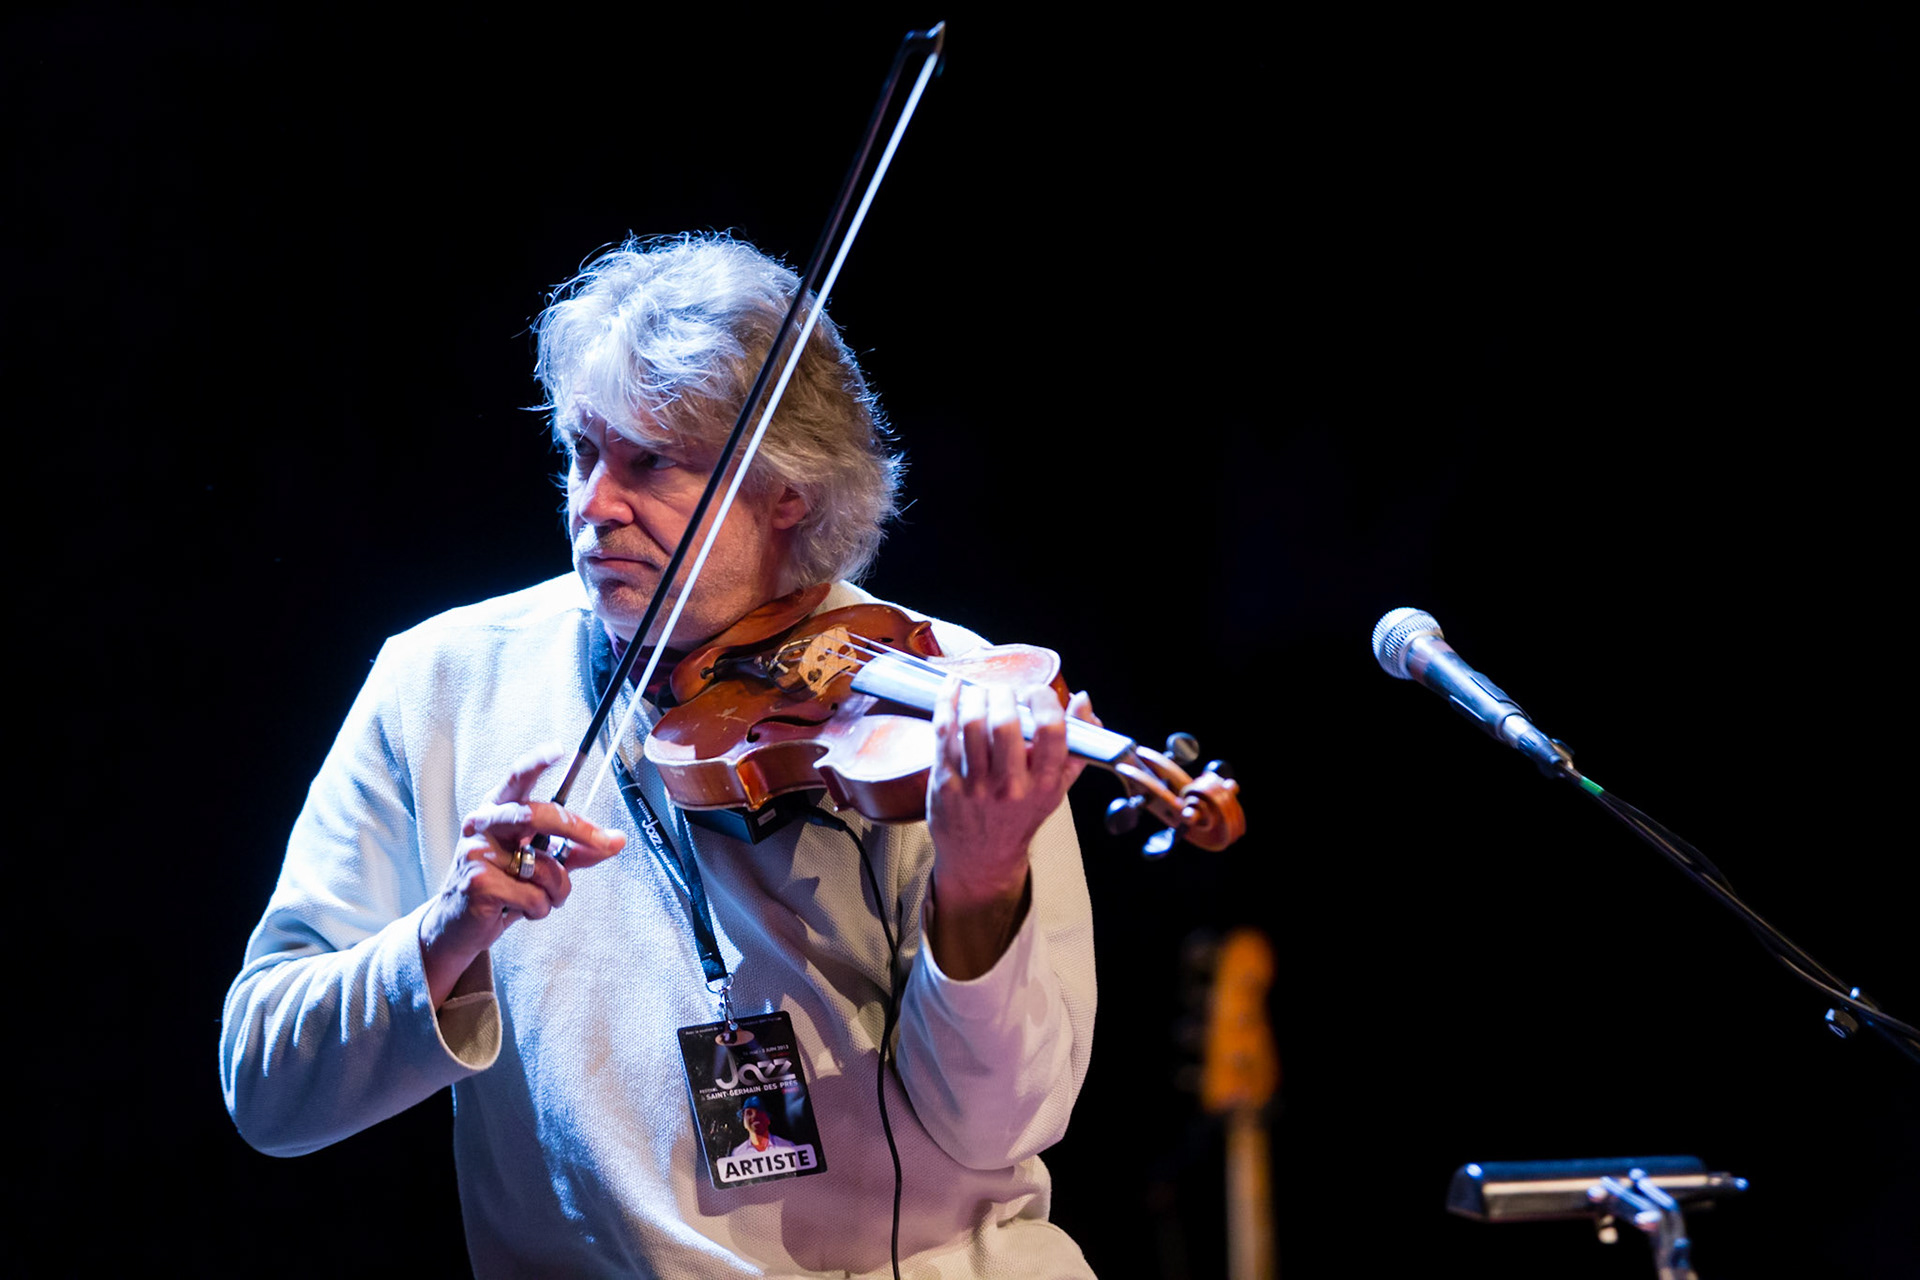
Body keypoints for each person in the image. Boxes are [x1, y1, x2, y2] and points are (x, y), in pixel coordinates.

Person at [220, 234, 1099, 1278]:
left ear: (790, 490)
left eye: (651, 461)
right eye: (582, 452)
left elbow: (1002, 1123)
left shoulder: (947, 703)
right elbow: (266, 1086)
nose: (593, 505)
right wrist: (447, 934)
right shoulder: (443, 681)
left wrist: (985, 878)